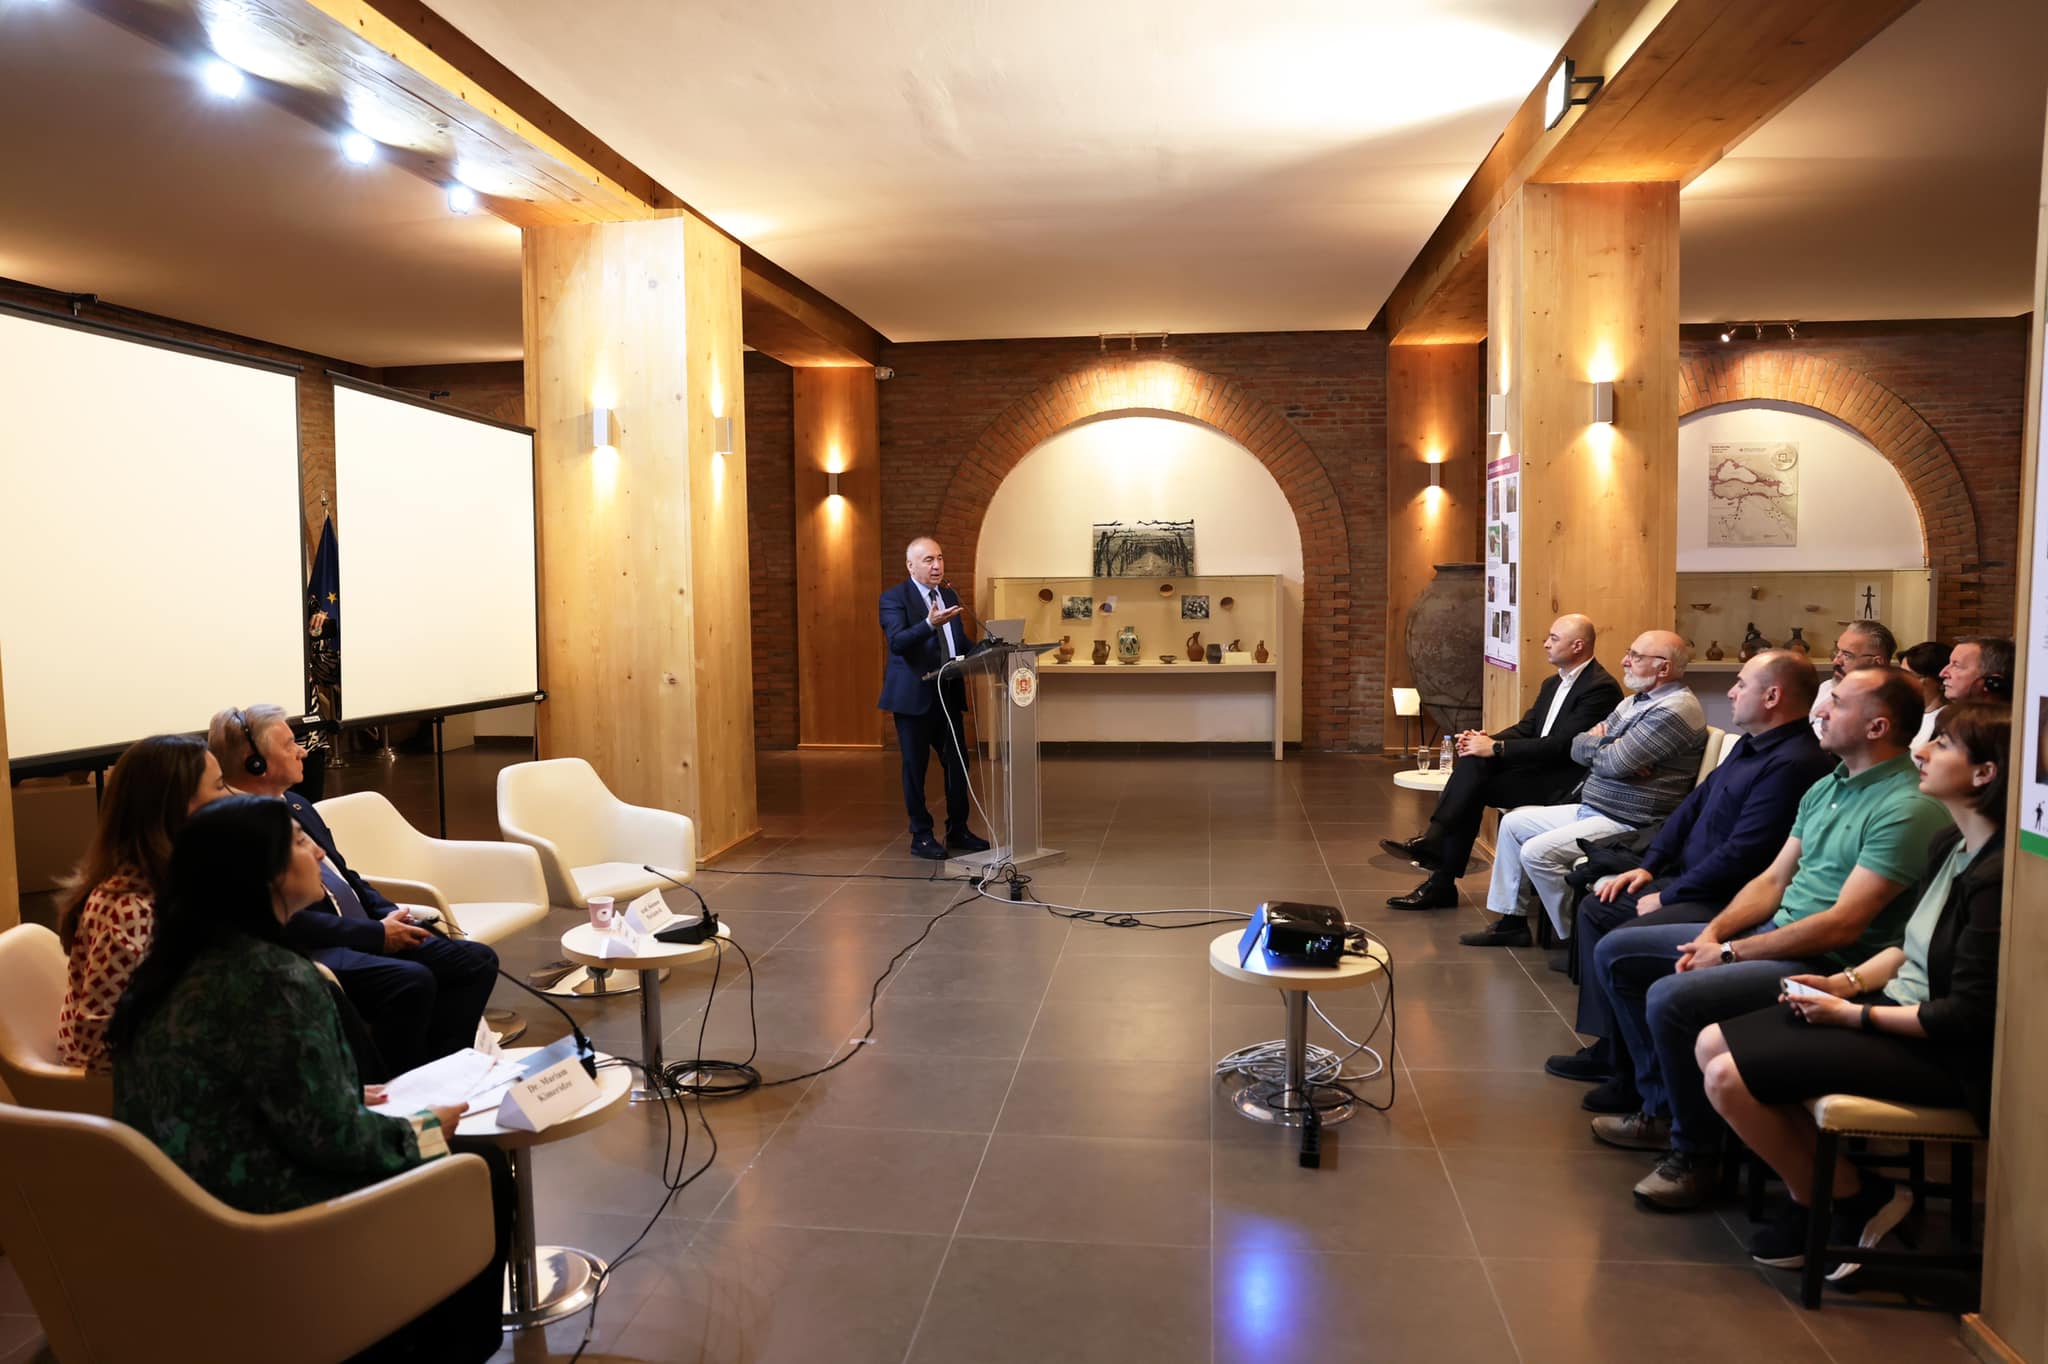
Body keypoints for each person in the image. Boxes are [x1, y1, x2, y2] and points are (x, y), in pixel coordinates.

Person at [107, 796, 507, 1362]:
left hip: (181, 1217)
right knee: (479, 1167)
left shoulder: (172, 968)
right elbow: (333, 1140)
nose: (318, 852)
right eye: (299, 842)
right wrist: (424, 1130)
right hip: (271, 1224)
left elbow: (238, 1089)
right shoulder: (276, 979)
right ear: (263, 875)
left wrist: (335, 1091)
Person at [1586, 666, 1950, 1210]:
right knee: (1620, 950)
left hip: (1831, 965)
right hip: (1776, 933)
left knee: (1672, 996)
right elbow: (1774, 880)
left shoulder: (1906, 806)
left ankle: (1697, 1155)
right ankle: (1662, 1109)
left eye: (1837, 703)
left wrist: (1729, 951)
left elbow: (1844, 924)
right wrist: (1714, 934)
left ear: (1877, 727)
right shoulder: (1829, 784)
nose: (1820, 710)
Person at [1697, 700, 2007, 1276]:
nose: (1920, 752)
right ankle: (1841, 1194)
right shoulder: (1951, 843)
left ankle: (1839, 1201)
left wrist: (1852, 1015)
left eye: (1941, 744)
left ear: (1984, 773)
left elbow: (1963, 1016)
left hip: (1944, 1050)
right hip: (1894, 1009)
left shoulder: (1997, 877)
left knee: (1725, 1075)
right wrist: (1842, 984)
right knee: (1711, 1041)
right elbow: (1908, 947)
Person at [1547, 650, 1833, 1095]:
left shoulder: (1794, 762)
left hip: (1727, 896)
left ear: (1772, 696)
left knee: (1616, 925)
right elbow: (1691, 807)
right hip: (1689, 878)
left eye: (1741, 684)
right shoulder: (1751, 745)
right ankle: (1612, 1051)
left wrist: (1669, 894)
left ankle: (1636, 1078)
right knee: (1597, 904)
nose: (1732, 692)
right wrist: (1648, 868)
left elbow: (1744, 854)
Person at [208, 704, 497, 1075]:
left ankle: (443, 1069)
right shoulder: (237, 828)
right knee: (411, 982)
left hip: (363, 929)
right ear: (255, 762)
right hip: (314, 946)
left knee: (476, 961)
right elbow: (284, 921)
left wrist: (389, 914)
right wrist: (376, 935)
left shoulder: (296, 804)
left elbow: (346, 876)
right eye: (289, 745)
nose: (303, 751)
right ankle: (398, 1082)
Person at [1459, 631, 1707, 948]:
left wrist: (1607, 748)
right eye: (1629, 651)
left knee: (1536, 853)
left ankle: (1574, 938)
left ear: (1664, 667)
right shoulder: (1635, 701)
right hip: (1595, 807)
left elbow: (1615, 763)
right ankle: (1512, 922)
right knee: (1512, 823)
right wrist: (1609, 746)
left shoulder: (1676, 710)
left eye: (1636, 656)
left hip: (1629, 821)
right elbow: (1578, 745)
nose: (1624, 660)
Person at [1382, 615, 1621, 910]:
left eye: (1554, 639)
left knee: (1472, 785)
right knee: (1473, 766)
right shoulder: (1552, 683)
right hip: (1537, 770)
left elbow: (1562, 747)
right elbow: (1527, 728)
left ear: (1578, 646)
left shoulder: (1600, 688)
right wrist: (1484, 740)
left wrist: (1496, 747)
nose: (1546, 644)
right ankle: (1437, 860)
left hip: (1564, 782)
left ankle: (1438, 865)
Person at [55, 735, 229, 1070]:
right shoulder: (129, 912)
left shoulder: (175, 882)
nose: (232, 798)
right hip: (133, 1088)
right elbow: (99, 1042)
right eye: (220, 787)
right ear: (179, 808)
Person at [878, 537, 990, 860]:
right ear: (910, 565)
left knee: (958, 764)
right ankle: (921, 835)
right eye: (928, 560)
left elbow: (957, 643)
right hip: (913, 698)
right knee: (915, 769)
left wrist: (989, 649)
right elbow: (898, 642)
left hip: (948, 694)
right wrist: (929, 624)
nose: (937, 565)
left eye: (939, 558)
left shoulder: (948, 595)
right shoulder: (894, 599)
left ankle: (958, 829)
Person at [1809, 621, 1896, 736]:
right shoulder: (1827, 686)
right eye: (1837, 651)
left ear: (1876, 663)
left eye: (1847, 655)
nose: (1836, 661)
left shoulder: (1885, 708)